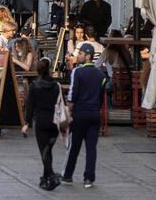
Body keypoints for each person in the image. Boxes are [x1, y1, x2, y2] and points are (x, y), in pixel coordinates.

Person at [62, 43, 106, 188]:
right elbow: (101, 96)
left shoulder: (77, 72)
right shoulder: (100, 74)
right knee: (91, 148)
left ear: (88, 56)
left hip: (80, 113)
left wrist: (69, 112)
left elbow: (72, 94)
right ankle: (89, 178)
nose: (78, 56)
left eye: (80, 53)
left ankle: (68, 175)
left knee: (74, 146)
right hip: (94, 114)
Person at [22, 59, 63, 190]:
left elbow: (30, 107)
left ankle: (50, 176)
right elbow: (61, 104)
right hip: (54, 123)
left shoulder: (34, 86)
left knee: (44, 151)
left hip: (41, 122)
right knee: (48, 149)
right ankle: (46, 178)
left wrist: (26, 123)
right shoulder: (56, 86)